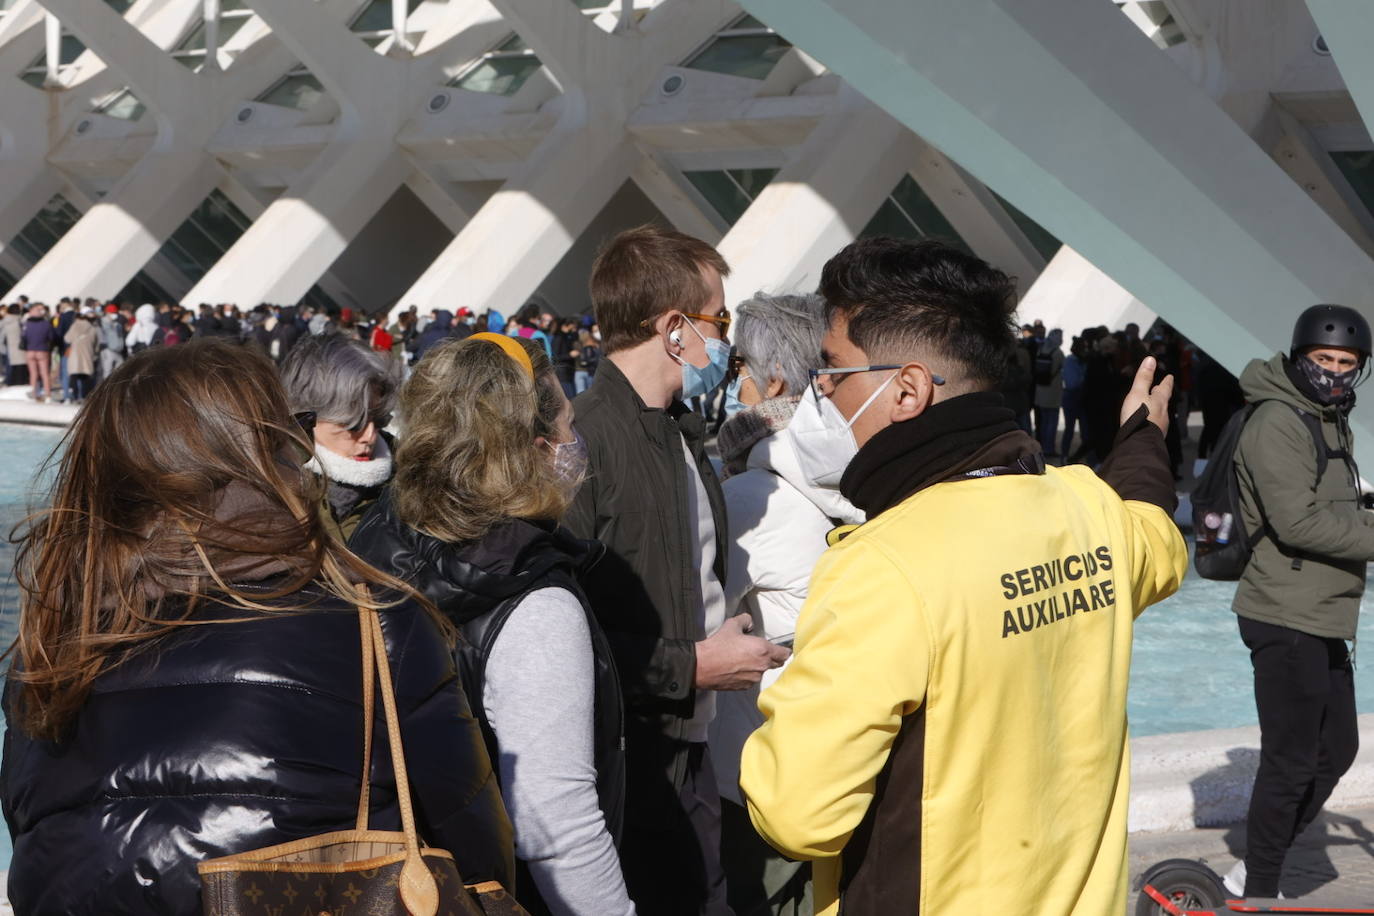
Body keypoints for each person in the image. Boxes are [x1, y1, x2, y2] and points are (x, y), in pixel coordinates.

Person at [738, 237, 1186, 916]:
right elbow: (1155, 538)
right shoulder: (1087, 506)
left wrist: (781, 699)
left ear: (908, 388)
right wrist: (1141, 440)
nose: (819, 390)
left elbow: (799, 813)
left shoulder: (882, 566)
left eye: (833, 370)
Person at [0, 339, 513, 914]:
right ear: (264, 457)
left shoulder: (47, 651)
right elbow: (479, 860)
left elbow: (37, 836)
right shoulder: (377, 624)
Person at [350, 333, 632, 916]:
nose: (573, 445)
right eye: (565, 429)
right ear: (531, 449)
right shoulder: (535, 605)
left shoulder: (373, 538)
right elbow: (557, 828)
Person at [567, 225, 788, 916]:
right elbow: (557, 640)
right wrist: (689, 667)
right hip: (629, 770)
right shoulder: (582, 445)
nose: (723, 340)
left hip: (690, 753)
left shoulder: (678, 431)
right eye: (717, 320)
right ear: (673, 329)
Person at [709, 292, 864, 916]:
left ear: (771, 379)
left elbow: (697, 619)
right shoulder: (850, 473)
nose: (731, 381)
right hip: (837, 767)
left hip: (757, 782)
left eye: (737, 365)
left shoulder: (755, 496)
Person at [1222, 305, 1374, 900]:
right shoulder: (1279, 422)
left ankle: (1258, 866)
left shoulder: (1328, 416)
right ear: (1299, 356)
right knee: (1290, 760)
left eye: (1347, 363)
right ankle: (1257, 887)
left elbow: (1335, 503)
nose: (1335, 372)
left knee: (1337, 748)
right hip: (1283, 614)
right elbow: (1298, 523)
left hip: (1319, 612)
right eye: (1324, 360)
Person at [280, 333, 399, 542]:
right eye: (354, 425)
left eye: (378, 420)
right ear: (306, 417)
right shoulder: (275, 494)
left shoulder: (408, 482)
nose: (369, 436)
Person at [1033, 328, 1066, 457]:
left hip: (1041, 392)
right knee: (1052, 422)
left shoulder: (1041, 350)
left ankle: (1041, 446)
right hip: (1053, 393)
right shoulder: (1058, 353)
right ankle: (1049, 448)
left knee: (1043, 422)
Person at [63, 308, 97, 404]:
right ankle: (85, 397)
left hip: (75, 356)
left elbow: (67, 339)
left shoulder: (75, 326)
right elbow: (96, 344)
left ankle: (73, 397)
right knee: (86, 377)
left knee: (74, 376)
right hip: (88, 355)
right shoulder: (92, 328)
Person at [22, 304, 56, 401]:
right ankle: (48, 395)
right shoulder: (46, 324)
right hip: (42, 350)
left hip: (30, 350)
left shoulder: (27, 324)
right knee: (44, 373)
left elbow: (23, 337)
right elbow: (51, 337)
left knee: (33, 374)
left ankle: (33, 393)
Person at [98, 303, 126, 382]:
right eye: (112, 313)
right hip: (108, 349)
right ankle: (106, 389)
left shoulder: (116, 324)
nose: (114, 314)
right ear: (107, 313)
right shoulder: (102, 322)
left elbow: (119, 336)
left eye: (115, 313)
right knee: (108, 370)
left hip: (118, 349)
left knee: (120, 369)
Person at [1, 303, 25, 387]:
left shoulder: (5, 321)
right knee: (19, 366)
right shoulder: (19, 320)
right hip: (19, 346)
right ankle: (16, 382)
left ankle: (9, 381)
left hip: (7, 346)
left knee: (8, 365)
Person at [575, 328, 600, 393]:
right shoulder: (589, 347)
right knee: (588, 393)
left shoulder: (577, 345)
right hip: (587, 372)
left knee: (581, 393)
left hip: (585, 371)